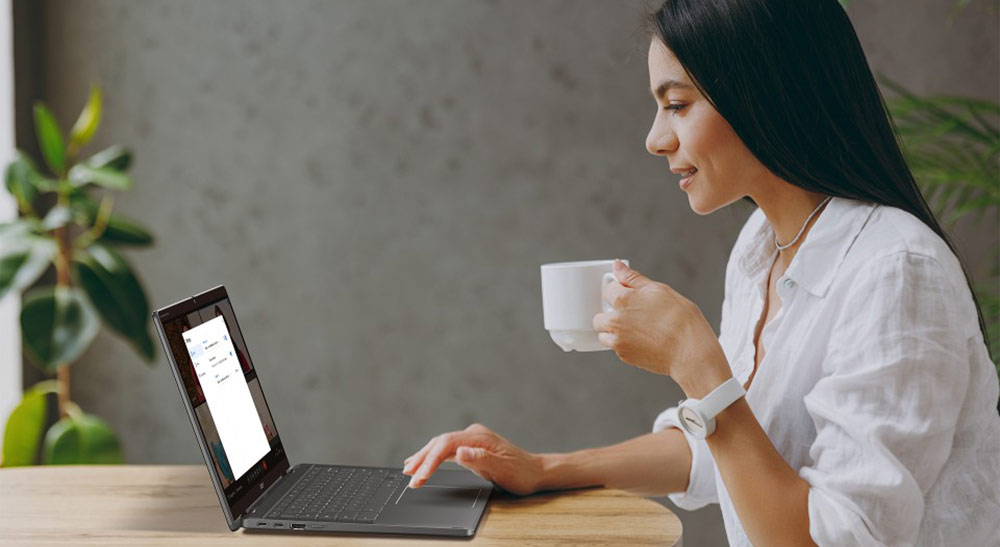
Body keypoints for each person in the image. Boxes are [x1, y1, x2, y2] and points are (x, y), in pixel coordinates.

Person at [402, 0, 1000, 545]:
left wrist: (695, 359)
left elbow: (833, 537)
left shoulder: (896, 272)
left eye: (678, 104)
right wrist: (543, 470)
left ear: (767, 95)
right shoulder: (762, 247)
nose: (655, 139)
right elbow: (717, 449)